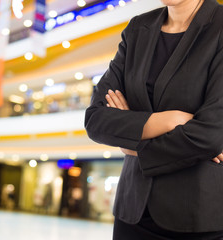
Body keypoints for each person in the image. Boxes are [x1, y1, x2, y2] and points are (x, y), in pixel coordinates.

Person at [84, 0, 223, 239]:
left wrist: (132, 143)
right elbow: (96, 118)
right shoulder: (138, 28)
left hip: (197, 218)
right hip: (132, 213)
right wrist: (171, 121)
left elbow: (210, 135)